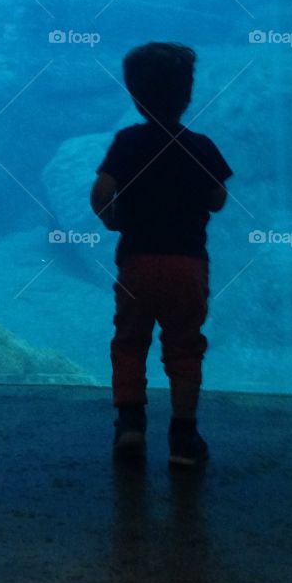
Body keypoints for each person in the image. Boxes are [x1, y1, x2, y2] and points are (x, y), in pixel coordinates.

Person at [90, 42, 232, 468]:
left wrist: (112, 220)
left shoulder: (128, 141)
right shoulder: (202, 146)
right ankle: (184, 437)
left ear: (134, 96)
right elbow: (219, 198)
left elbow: (100, 194)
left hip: (137, 264)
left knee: (130, 341)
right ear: (188, 95)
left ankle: (130, 424)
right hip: (188, 267)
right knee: (185, 346)